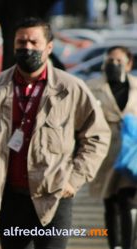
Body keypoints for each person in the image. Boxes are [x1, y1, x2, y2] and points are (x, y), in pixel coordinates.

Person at [0, 17, 111, 249]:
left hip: (54, 198)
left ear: (49, 47)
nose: (27, 48)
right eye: (21, 42)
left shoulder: (70, 88)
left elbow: (97, 136)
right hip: (9, 200)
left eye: (34, 42)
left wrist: (73, 180)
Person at [88, 46, 137, 249]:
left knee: (128, 200)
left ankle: (127, 244)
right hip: (105, 153)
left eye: (118, 61)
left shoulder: (136, 87)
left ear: (128, 64)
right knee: (110, 201)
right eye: (110, 61)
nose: (114, 65)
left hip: (131, 155)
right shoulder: (92, 88)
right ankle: (114, 244)